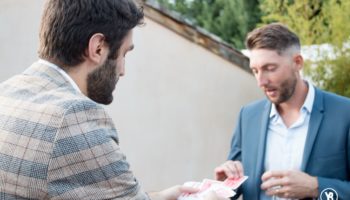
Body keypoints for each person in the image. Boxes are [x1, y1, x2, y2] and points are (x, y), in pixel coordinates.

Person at [0, 0, 225, 199]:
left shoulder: (7, 92)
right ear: (97, 48)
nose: (123, 70)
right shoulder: (74, 117)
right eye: (124, 54)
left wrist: (162, 196)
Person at [214, 23, 350, 200]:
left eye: (270, 69)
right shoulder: (247, 116)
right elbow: (237, 183)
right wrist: (225, 186)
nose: (261, 81)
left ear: (297, 63)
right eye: (255, 71)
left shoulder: (345, 113)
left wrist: (316, 187)